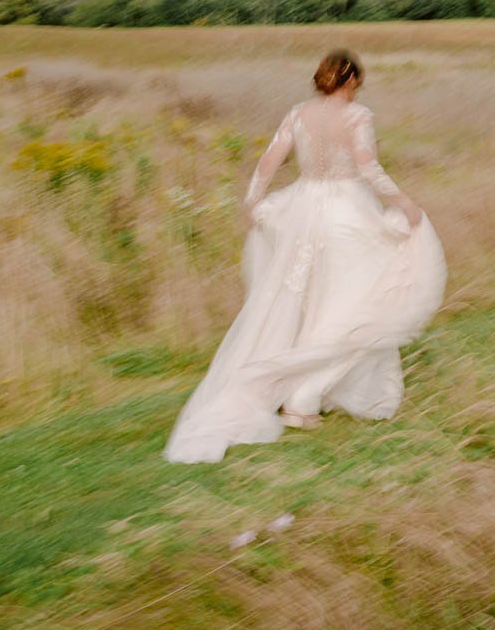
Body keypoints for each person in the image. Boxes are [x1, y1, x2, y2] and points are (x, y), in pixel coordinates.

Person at [164, 50, 447, 463]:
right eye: (357, 83)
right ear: (349, 80)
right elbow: (367, 168)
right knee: (362, 303)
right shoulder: (357, 116)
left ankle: (305, 391)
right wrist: (403, 201)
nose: (357, 91)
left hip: (300, 210)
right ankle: (305, 395)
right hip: (345, 212)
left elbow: (270, 159)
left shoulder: (298, 113)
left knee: (312, 302)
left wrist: (252, 200)